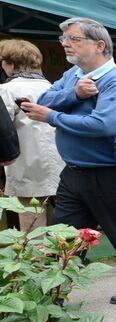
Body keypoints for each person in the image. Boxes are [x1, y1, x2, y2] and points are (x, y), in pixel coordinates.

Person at [22, 17, 116, 304]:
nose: (65, 44)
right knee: (66, 234)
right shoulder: (74, 74)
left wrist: (53, 117)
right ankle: (56, 291)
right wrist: (74, 94)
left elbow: (105, 125)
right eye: (64, 40)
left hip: (112, 170)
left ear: (99, 45)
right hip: (74, 171)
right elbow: (46, 97)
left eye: (74, 39)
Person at [0, 38, 63, 231]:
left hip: (27, 165)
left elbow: (2, 130)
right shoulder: (54, 88)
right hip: (63, 164)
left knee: (33, 223)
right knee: (62, 222)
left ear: (9, 63)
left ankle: (37, 261)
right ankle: (64, 260)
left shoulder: (6, 90)